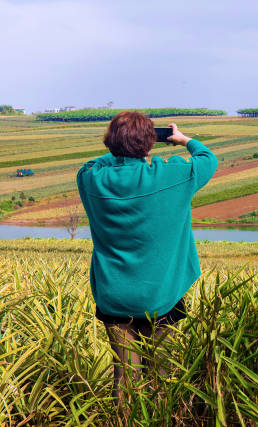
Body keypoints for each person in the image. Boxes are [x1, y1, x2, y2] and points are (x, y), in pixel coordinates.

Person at [76, 111, 218, 400]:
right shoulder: (170, 175)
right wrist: (182, 140)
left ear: (110, 143)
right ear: (150, 143)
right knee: (161, 374)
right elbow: (208, 159)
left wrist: (116, 153)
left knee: (124, 375)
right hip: (162, 296)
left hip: (114, 296)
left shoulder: (92, 181)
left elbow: (90, 165)